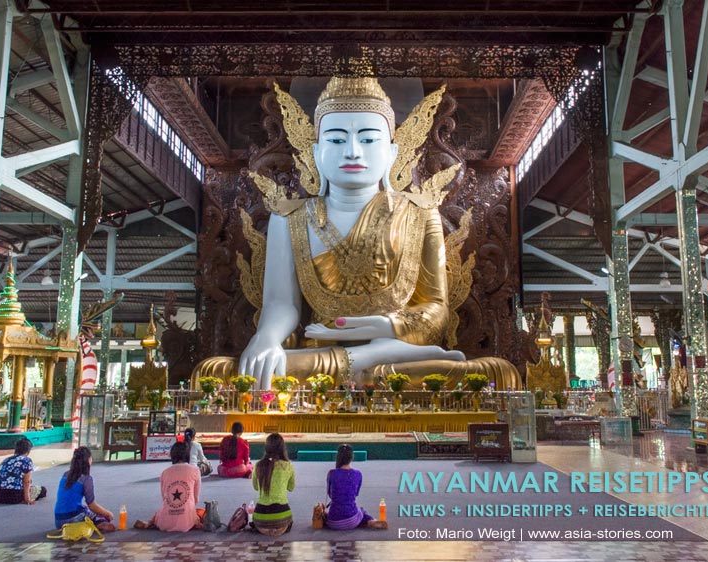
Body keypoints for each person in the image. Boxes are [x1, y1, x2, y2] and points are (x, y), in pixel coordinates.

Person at [193, 77, 520, 391]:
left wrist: (385, 327)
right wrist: (266, 337)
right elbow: (281, 304)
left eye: (368, 139)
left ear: (391, 153)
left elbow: (435, 312)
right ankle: (372, 358)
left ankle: (378, 354)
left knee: (496, 373)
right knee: (215, 373)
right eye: (336, 139)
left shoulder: (420, 213)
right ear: (318, 152)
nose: (352, 151)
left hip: (394, 352)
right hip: (318, 352)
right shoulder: (289, 217)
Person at [133, 441, 204, 532]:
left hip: (164, 521)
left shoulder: (164, 472)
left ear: (172, 456)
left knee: (162, 509)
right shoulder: (195, 470)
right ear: (188, 455)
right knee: (201, 512)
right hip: (187, 522)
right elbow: (196, 499)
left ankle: (151, 522)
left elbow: (165, 498)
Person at [53, 446, 115, 532]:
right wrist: (107, 513)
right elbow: (92, 505)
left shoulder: (65, 475)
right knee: (102, 516)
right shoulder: (86, 479)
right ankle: (98, 523)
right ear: (89, 460)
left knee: (83, 507)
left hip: (58, 520)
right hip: (74, 518)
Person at [325, 444, 386, 529]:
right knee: (360, 510)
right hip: (351, 520)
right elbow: (355, 493)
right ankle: (370, 521)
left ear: (338, 457)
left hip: (333, 522)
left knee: (332, 512)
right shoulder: (357, 474)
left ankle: (364, 521)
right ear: (351, 457)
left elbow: (330, 494)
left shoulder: (331, 473)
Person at [0, 437, 46, 505]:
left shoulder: (6, 460)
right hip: (15, 496)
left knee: (4, 491)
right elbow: (26, 482)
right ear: (28, 451)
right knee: (42, 490)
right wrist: (27, 499)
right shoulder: (27, 461)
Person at [252, 433, 295, 536]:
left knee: (259, 522)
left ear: (266, 447)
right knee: (287, 521)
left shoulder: (258, 465)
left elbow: (256, 487)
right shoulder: (288, 465)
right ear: (283, 448)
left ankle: (266, 528)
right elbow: (291, 488)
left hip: (261, 520)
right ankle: (277, 529)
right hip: (281, 520)